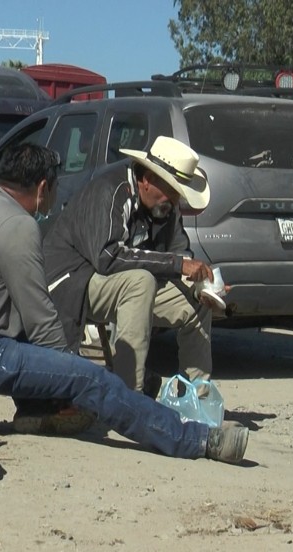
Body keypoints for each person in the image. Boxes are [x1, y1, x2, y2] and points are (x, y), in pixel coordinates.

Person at [0, 142, 248, 464]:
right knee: (91, 378)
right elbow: (40, 319)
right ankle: (195, 440)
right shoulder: (16, 225)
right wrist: (72, 374)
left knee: (76, 371)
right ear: (42, 189)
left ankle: (42, 410)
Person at [43, 135, 218, 396]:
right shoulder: (110, 191)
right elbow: (107, 257)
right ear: (146, 179)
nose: (172, 200)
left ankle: (196, 399)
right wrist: (177, 264)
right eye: (169, 190)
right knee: (141, 282)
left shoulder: (166, 208)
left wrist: (203, 287)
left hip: (123, 286)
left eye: (177, 193)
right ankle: (128, 399)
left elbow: (179, 255)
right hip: (74, 282)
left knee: (197, 305)